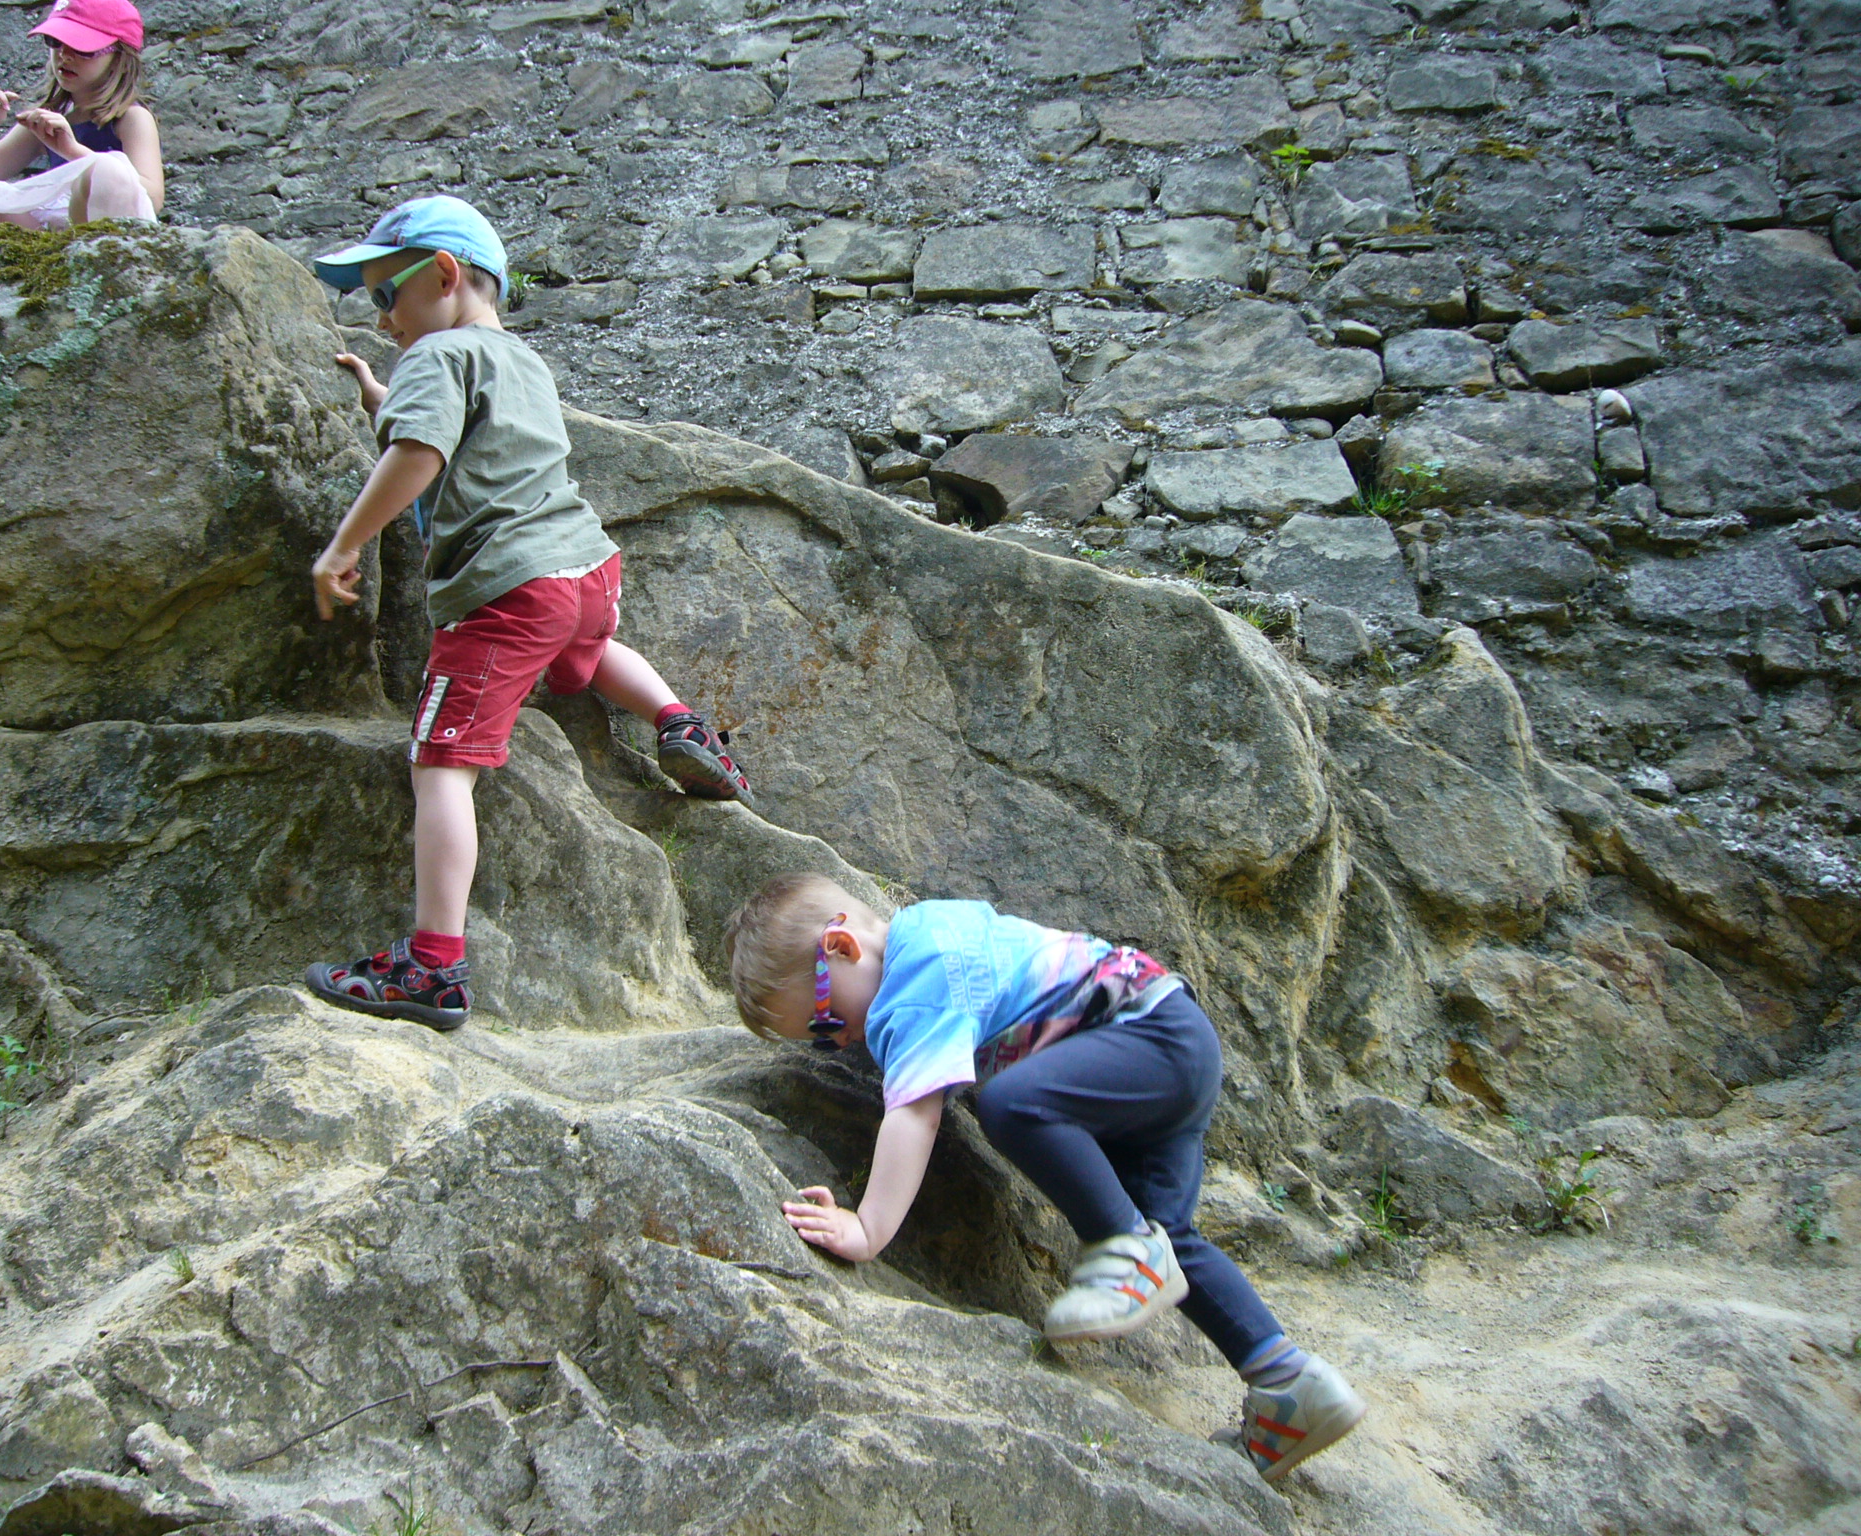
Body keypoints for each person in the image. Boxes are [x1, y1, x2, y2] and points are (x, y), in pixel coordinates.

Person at [722, 873, 1367, 1484]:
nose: (838, 1044)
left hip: (1147, 1037)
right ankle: (1288, 1383)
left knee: (1015, 1104)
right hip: (1171, 1043)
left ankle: (1129, 1253)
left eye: (826, 1024)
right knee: (1166, 1235)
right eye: (820, 1043)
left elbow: (915, 1114)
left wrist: (868, 1228)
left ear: (842, 946)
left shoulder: (913, 984)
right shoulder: (928, 929)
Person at [303, 195, 749, 1031]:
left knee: (441, 760)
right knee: (588, 648)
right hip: (587, 571)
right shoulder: (520, 360)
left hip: (507, 589)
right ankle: (680, 723)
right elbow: (462, 432)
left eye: (385, 296)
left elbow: (421, 450)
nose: (383, 320)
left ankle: (433, 965)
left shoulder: (435, 355)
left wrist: (343, 545)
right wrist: (380, 396)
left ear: (443, 275)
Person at [0, 0, 161, 232]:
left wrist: (73, 152)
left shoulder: (131, 117)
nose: (65, 55)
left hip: (103, 234)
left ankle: (76, 255)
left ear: (119, 57)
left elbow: (152, 197)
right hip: (51, 233)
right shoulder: (49, 119)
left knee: (107, 171)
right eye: (55, 42)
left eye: (82, 48)